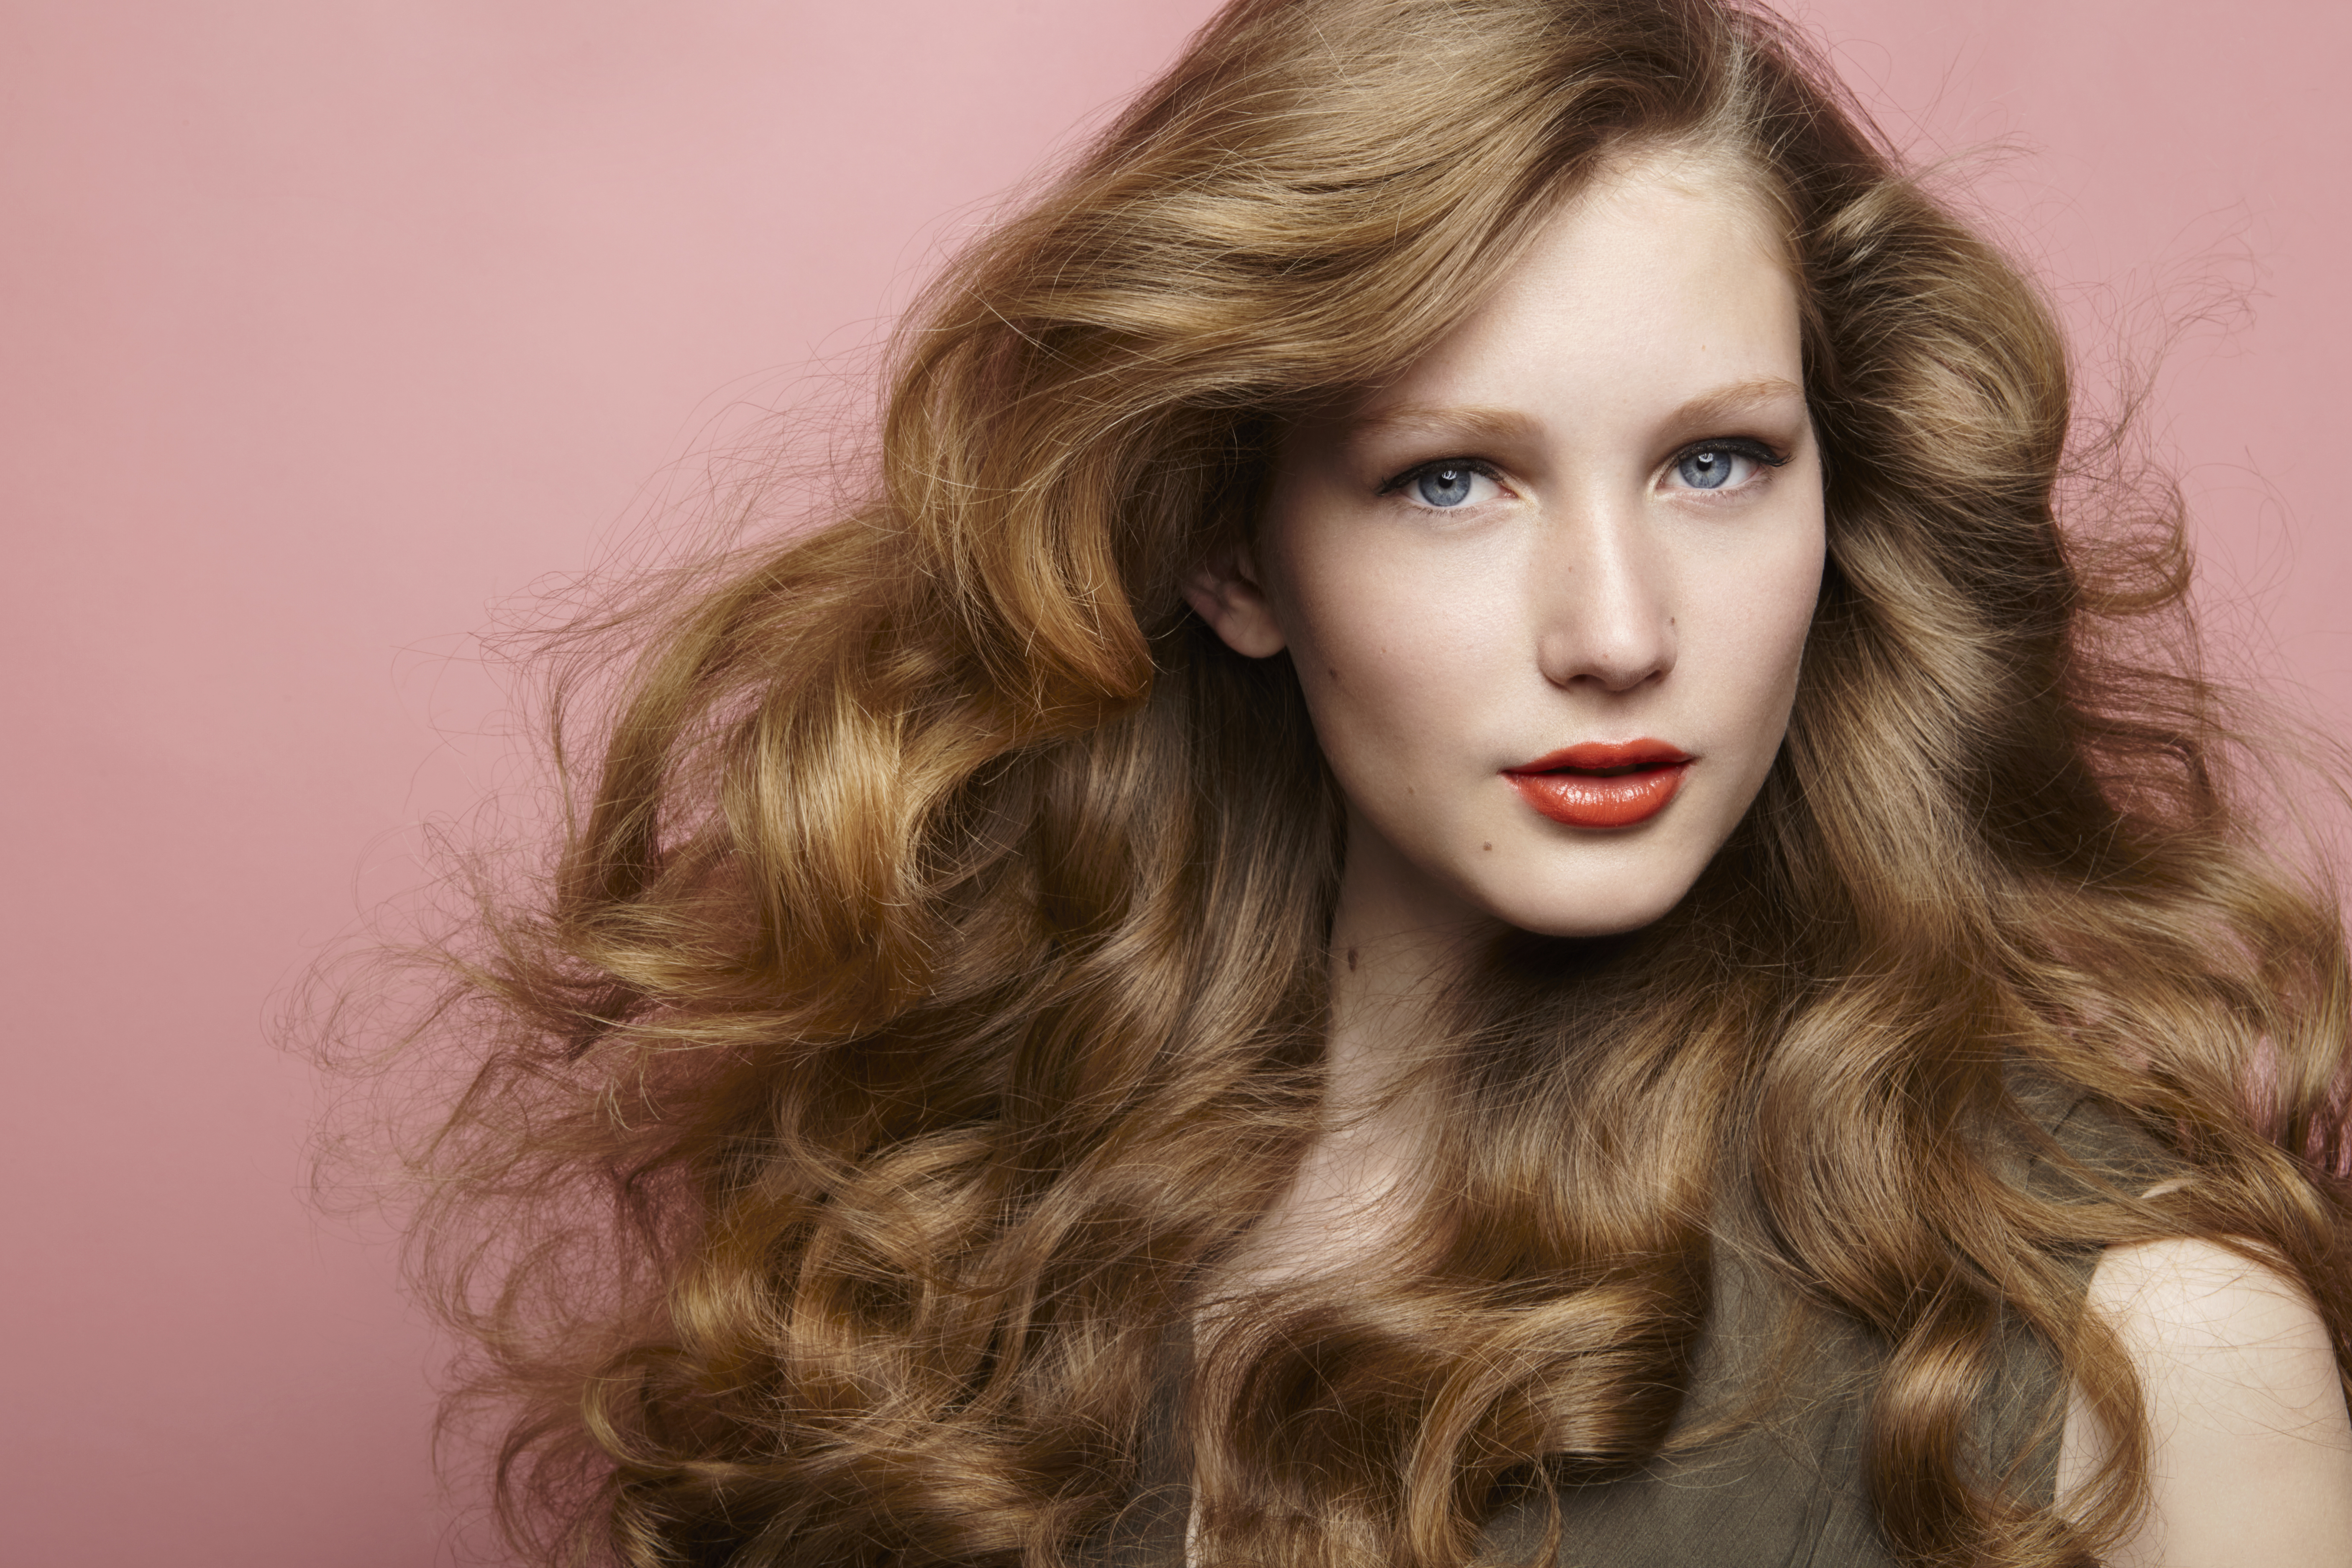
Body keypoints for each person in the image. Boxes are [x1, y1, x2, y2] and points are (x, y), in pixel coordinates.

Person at [369, 0, 2352, 1563]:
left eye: (1716, 461)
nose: (1614, 625)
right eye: (1451, 477)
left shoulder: (2135, 1353)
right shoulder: (962, 1234)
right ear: (1234, 553)